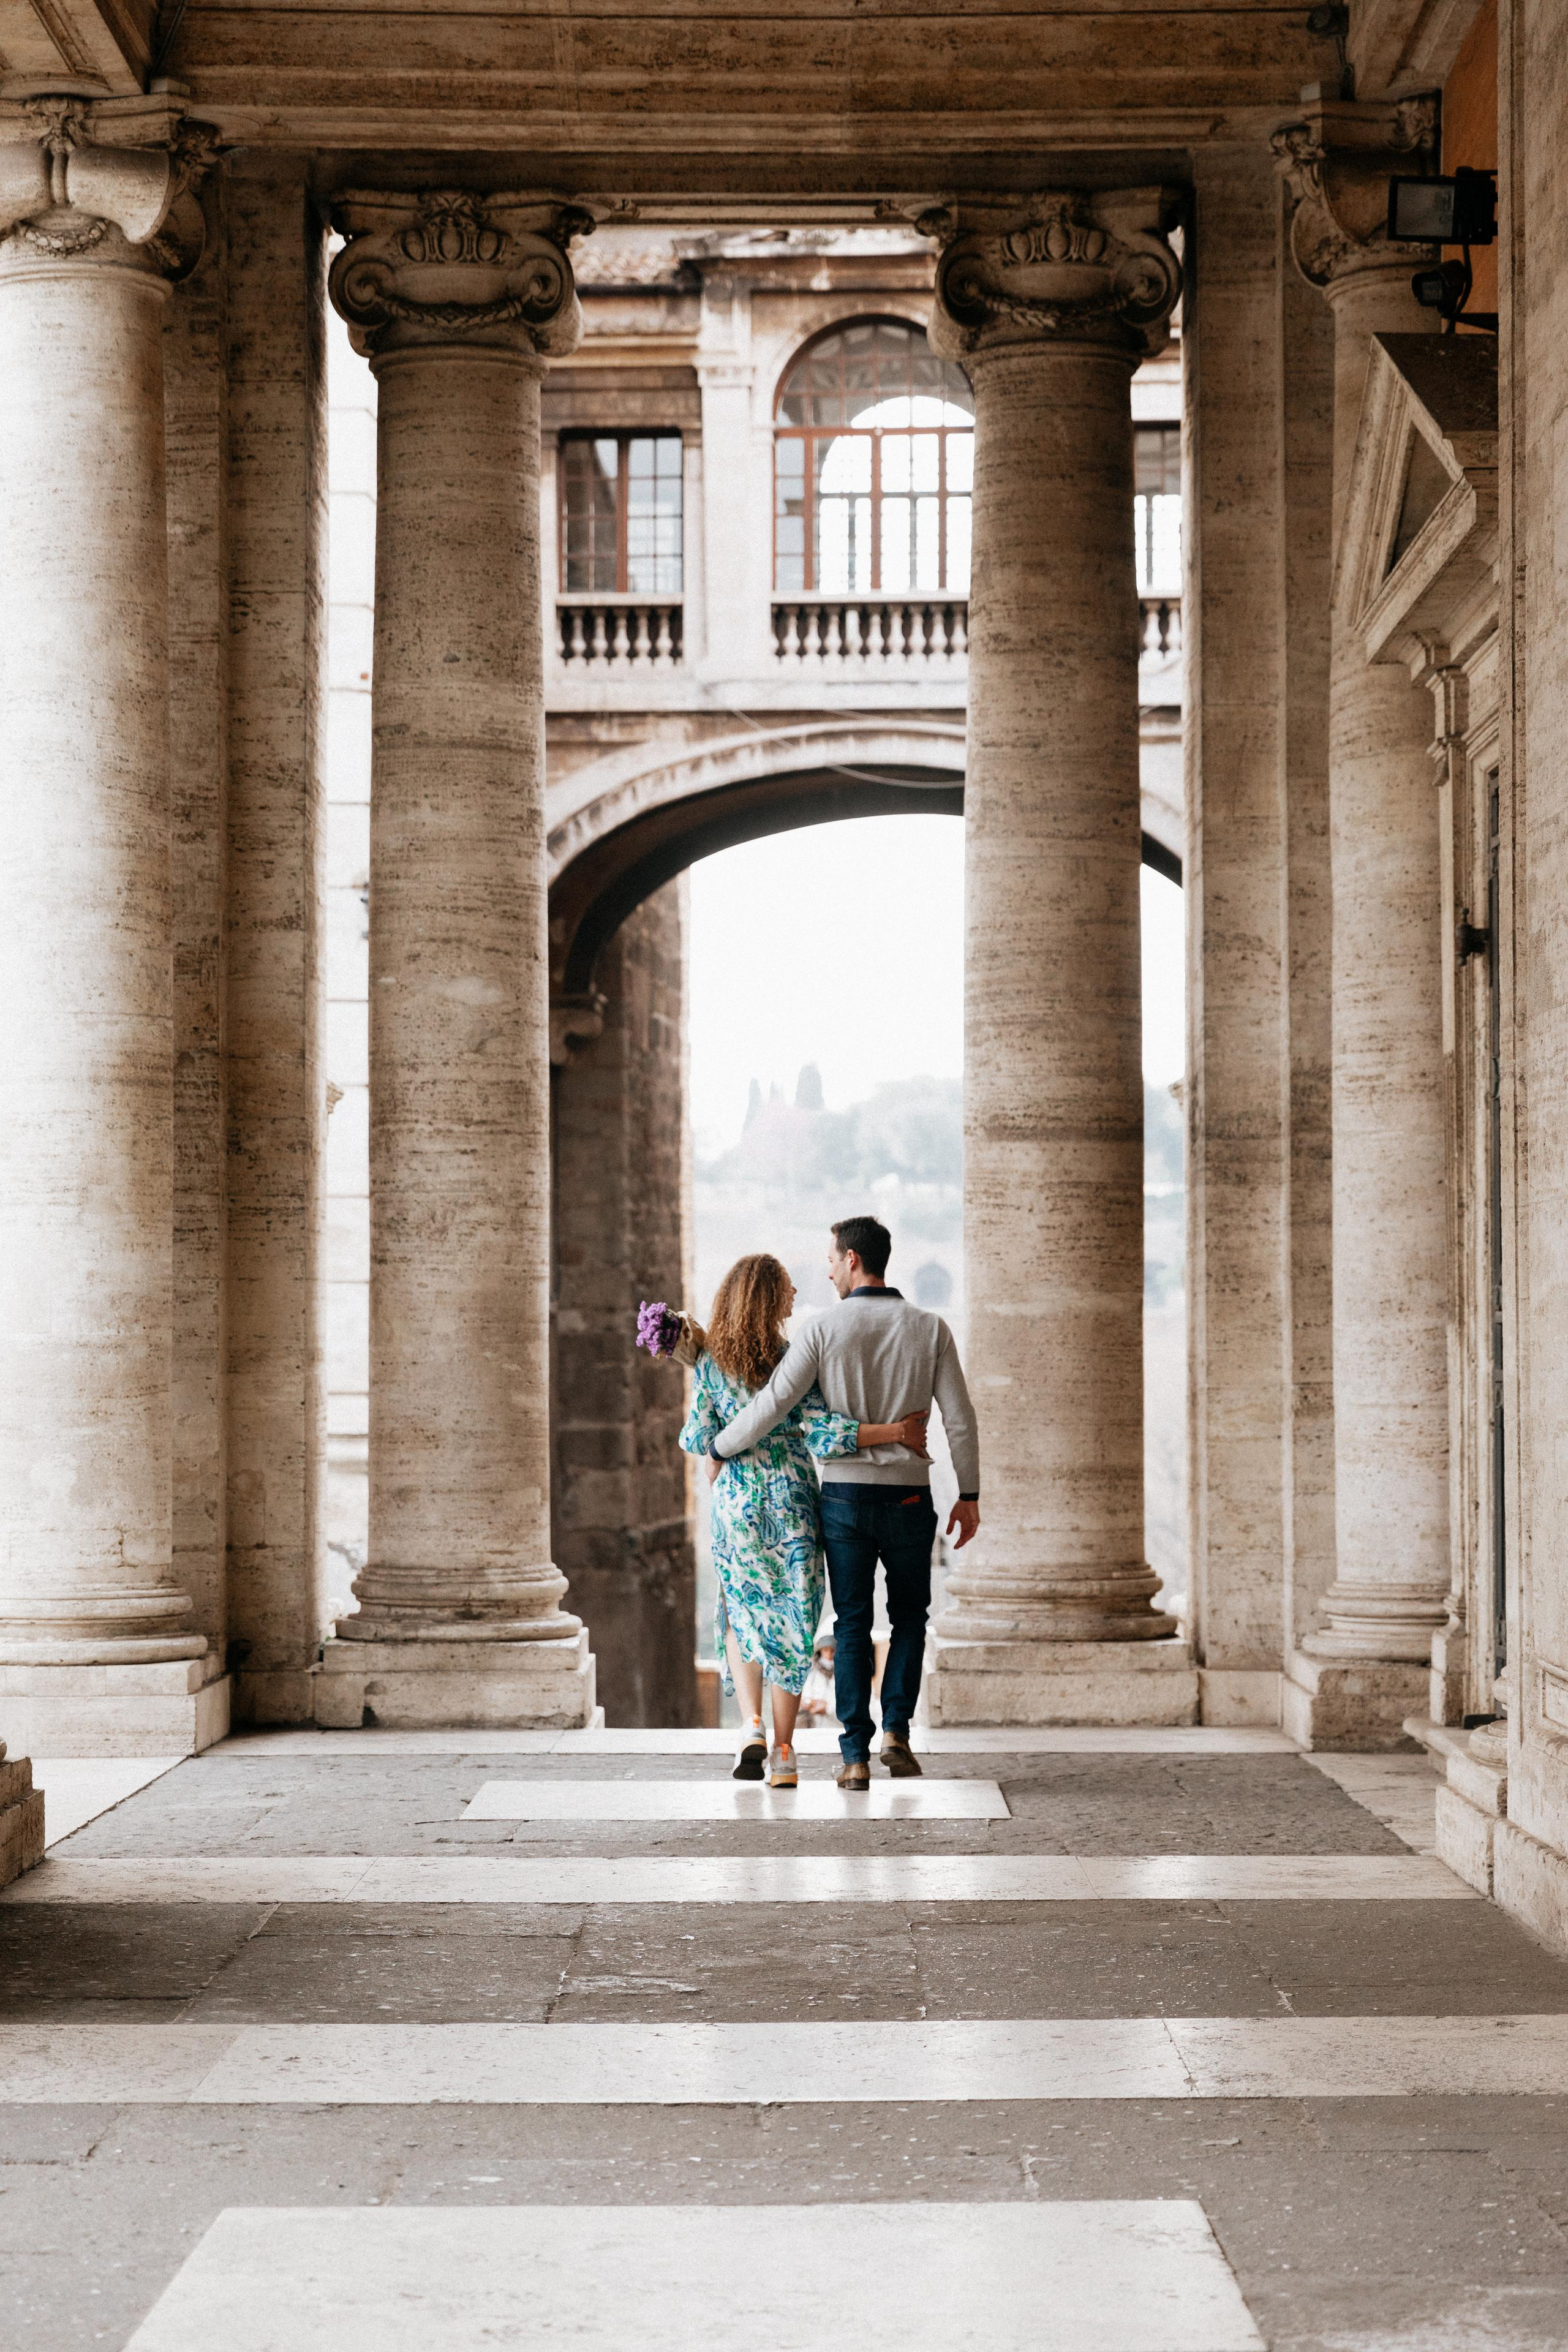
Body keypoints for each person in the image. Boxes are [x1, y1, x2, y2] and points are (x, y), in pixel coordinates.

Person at [705, 1216, 979, 1789]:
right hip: (909, 1493)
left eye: (832, 1260)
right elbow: (959, 1417)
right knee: (910, 1617)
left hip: (846, 1496)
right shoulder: (930, 1328)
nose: (827, 1271)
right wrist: (970, 1494)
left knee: (853, 1622)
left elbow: (777, 1403)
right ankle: (897, 1730)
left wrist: (721, 1445)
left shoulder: (822, 1330)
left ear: (853, 1259)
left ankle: (854, 1755)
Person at [678, 1252, 929, 1787]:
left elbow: (700, 1440)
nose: (795, 1295)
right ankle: (786, 1753)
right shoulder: (791, 1359)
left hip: (738, 1503)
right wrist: (896, 1433)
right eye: (788, 1288)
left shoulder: (709, 1362)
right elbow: (825, 1432)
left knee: (742, 1615)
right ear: (769, 1299)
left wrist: (720, 1466)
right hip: (791, 1500)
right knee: (793, 1619)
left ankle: (750, 1727)